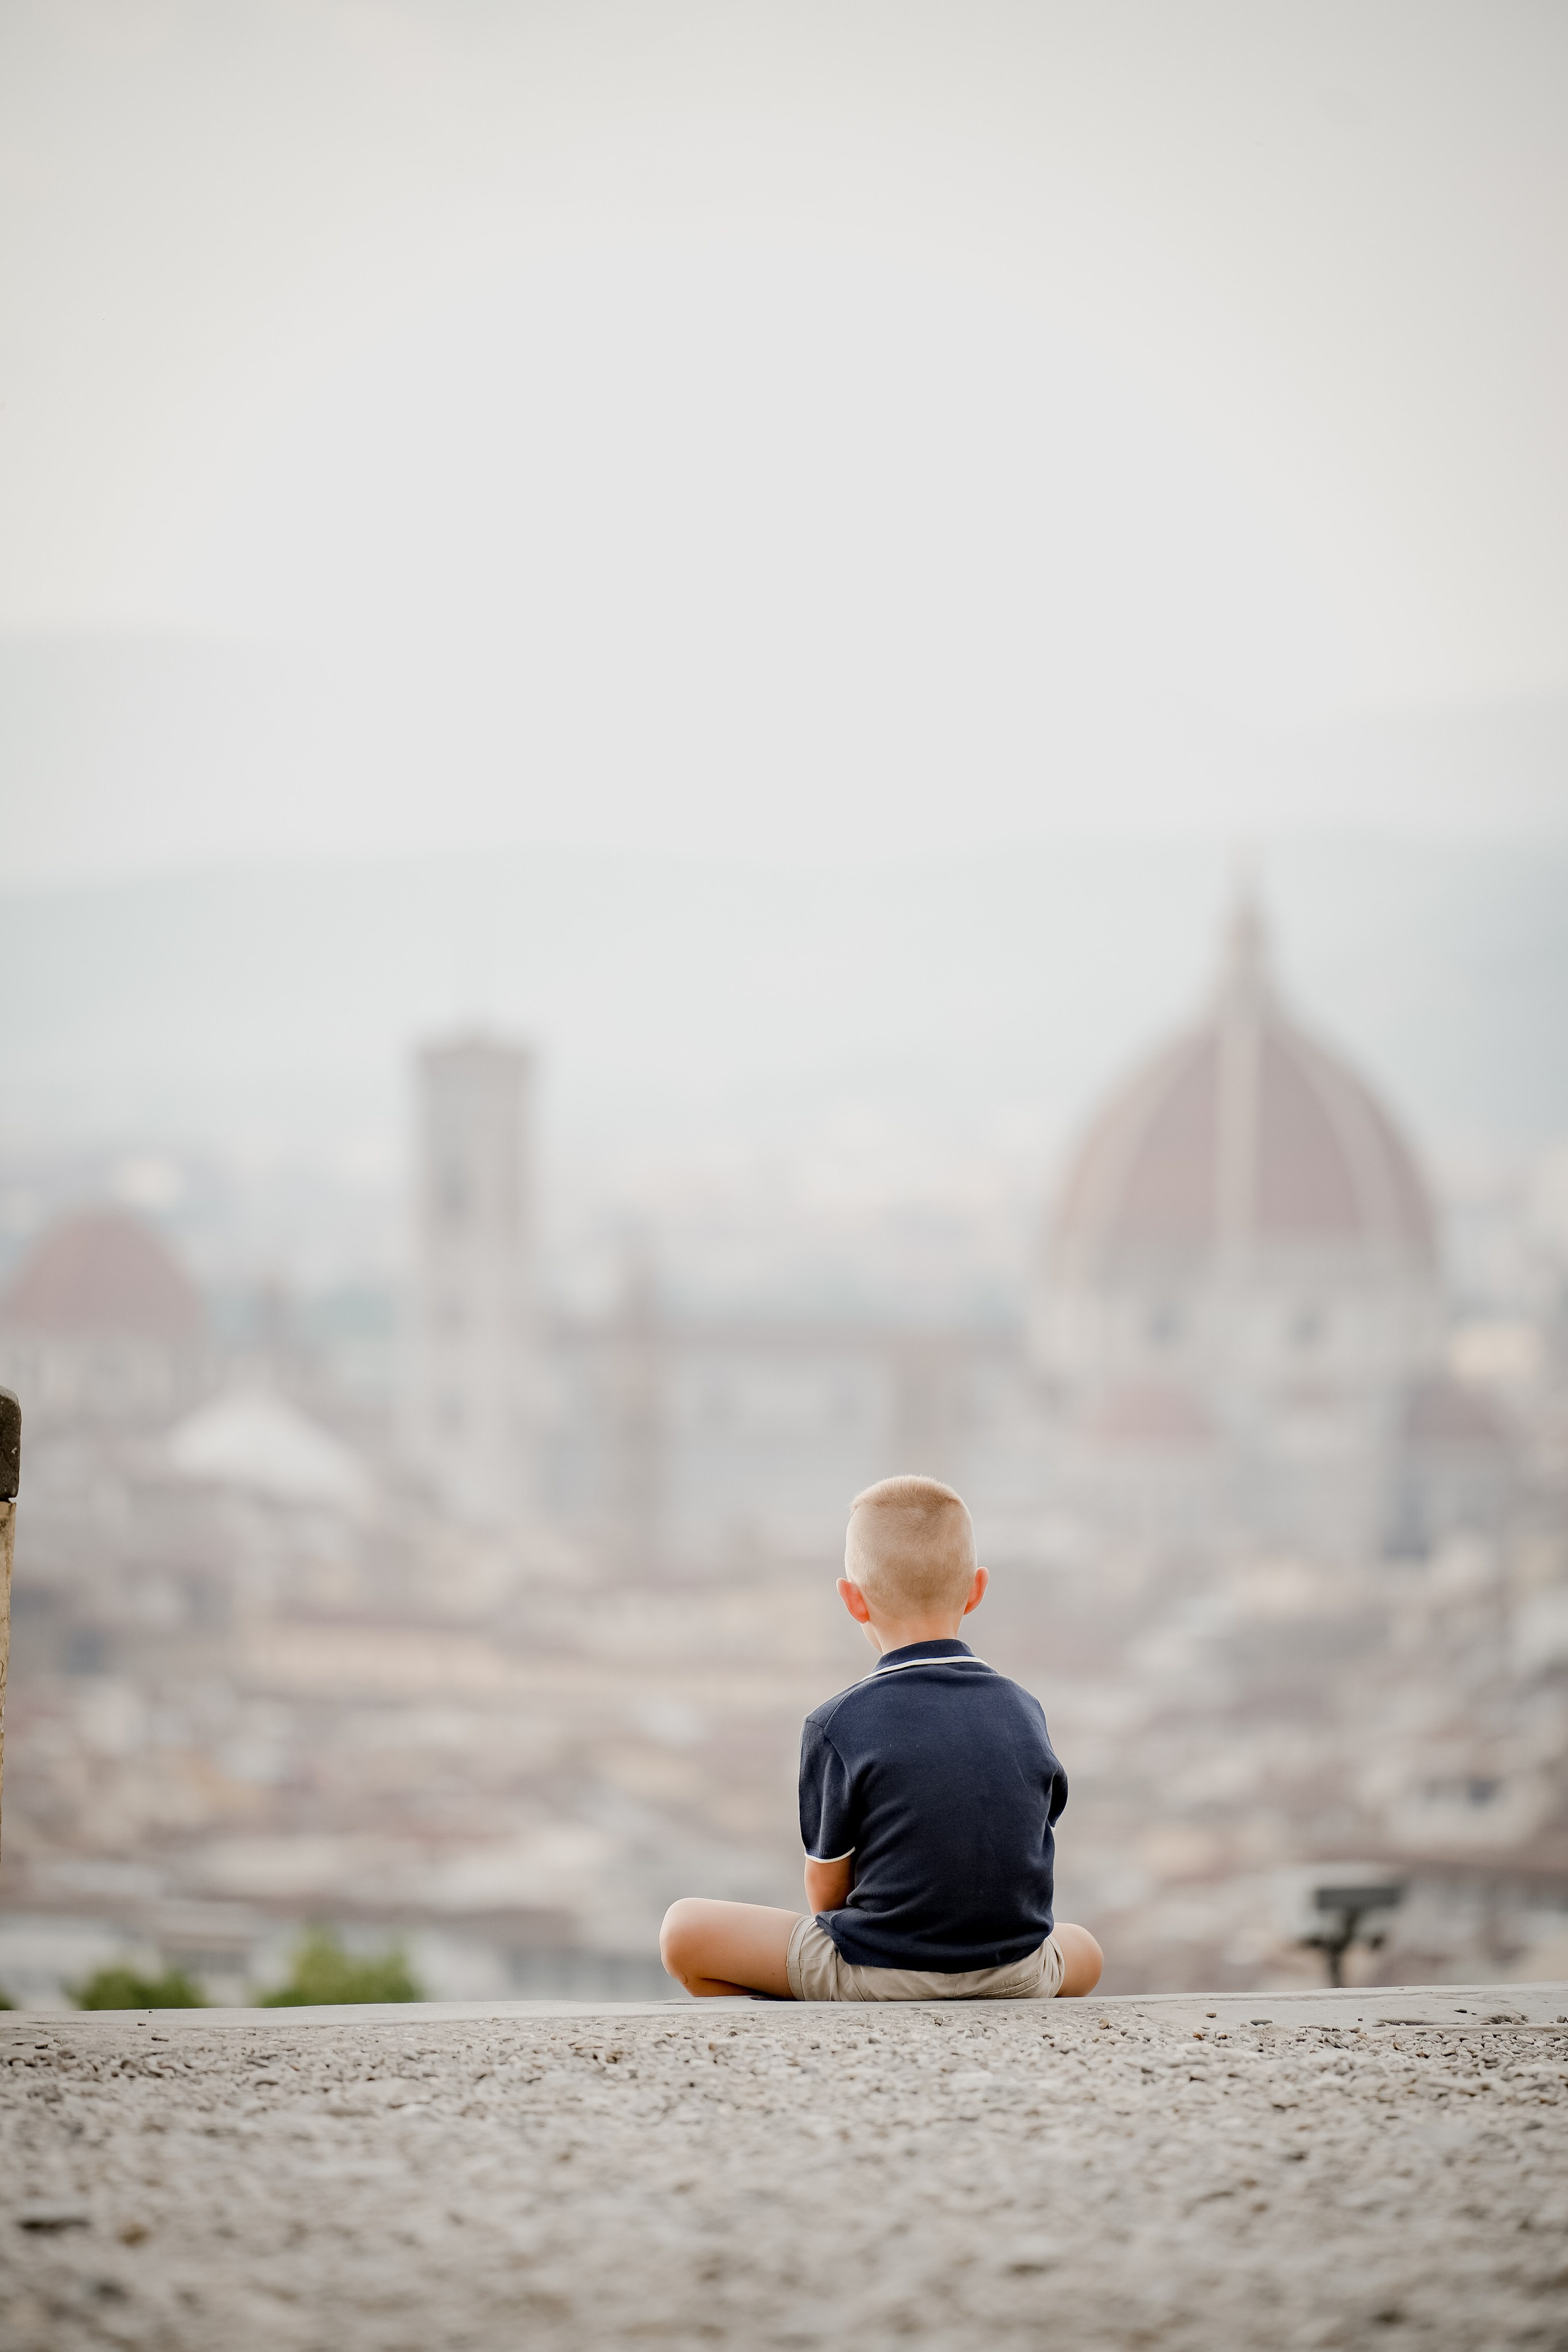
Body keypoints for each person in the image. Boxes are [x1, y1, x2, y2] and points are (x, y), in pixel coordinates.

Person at [660, 1474, 1103, 2002]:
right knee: (1085, 1949)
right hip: (1016, 1970)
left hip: (882, 1969)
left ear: (853, 1600)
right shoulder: (1025, 1709)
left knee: (683, 1929)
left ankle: (791, 2020)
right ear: (977, 1589)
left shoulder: (839, 1722)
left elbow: (826, 1894)